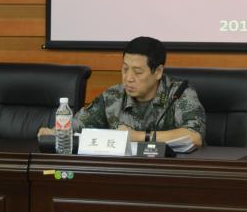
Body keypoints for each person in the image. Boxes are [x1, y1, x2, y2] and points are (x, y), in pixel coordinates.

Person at [39, 36, 205, 149]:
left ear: (158, 72)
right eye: (125, 69)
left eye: (137, 72)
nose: (128, 78)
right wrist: (54, 133)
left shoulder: (179, 94)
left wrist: (137, 136)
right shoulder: (113, 96)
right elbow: (77, 126)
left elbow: (194, 136)